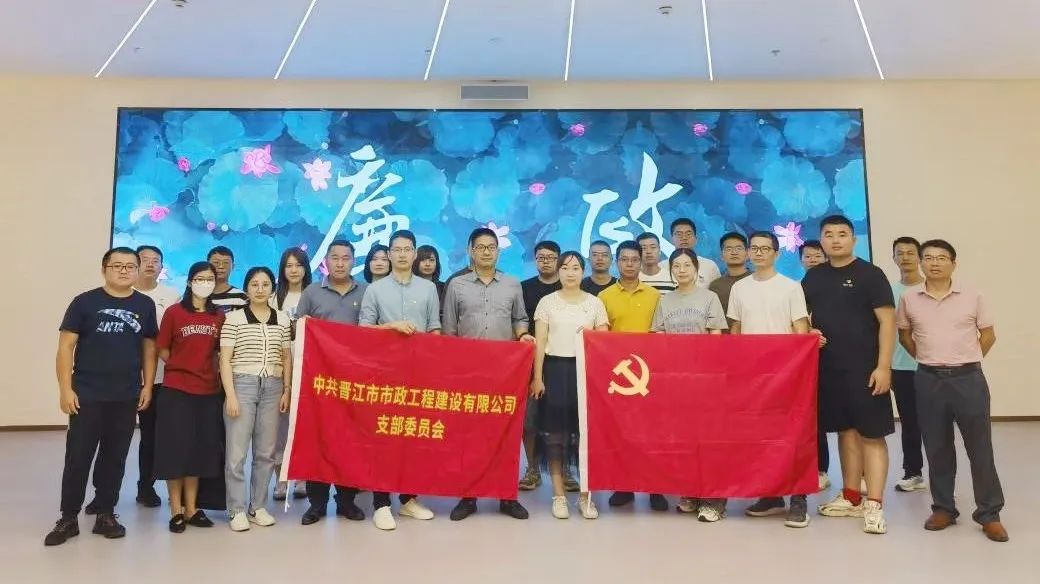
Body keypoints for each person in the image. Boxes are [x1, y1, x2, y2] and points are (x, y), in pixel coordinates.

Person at [45, 247, 158, 546]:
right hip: (87, 394)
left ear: (137, 271)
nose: (123, 270)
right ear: (104, 269)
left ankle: (105, 513)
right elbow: (65, 347)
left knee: (115, 456)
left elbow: (149, 348)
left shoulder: (145, 305)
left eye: (130, 266)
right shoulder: (84, 302)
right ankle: (68, 517)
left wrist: (147, 386)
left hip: (126, 395)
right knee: (78, 456)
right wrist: (65, 389)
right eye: (116, 265)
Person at [897, 239, 1007, 542]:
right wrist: (929, 359)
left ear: (953, 264)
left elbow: (988, 335)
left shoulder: (973, 296)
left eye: (941, 258)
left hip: (968, 378)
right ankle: (944, 508)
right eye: (928, 257)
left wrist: (965, 359)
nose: (934, 263)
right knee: (937, 446)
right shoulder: (909, 298)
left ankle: (989, 514)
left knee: (980, 448)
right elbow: (904, 335)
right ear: (921, 263)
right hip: (928, 379)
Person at [802, 215, 895, 535]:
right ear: (821, 240)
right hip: (830, 368)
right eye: (829, 234)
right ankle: (852, 496)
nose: (835, 239)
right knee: (845, 432)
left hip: (867, 369)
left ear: (853, 240)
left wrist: (884, 367)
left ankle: (875, 503)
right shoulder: (814, 277)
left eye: (842, 234)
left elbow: (887, 322)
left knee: (871, 434)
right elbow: (803, 317)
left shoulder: (871, 275)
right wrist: (810, 330)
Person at [443, 228, 533, 522]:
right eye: (480, 247)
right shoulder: (456, 285)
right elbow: (449, 330)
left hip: (504, 373)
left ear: (498, 251)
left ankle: (506, 496)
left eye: (491, 247)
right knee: (469, 435)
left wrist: (522, 335)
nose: (485, 252)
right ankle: (468, 496)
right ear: (470, 250)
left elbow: (520, 319)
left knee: (505, 433)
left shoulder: (512, 284)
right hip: (468, 372)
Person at [727, 232, 813, 528]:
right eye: (754, 248)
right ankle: (770, 495)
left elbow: (800, 328)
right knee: (761, 437)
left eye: (766, 249)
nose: (759, 253)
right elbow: (736, 329)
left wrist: (798, 366)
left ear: (777, 254)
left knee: (793, 436)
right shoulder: (739, 288)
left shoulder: (791, 287)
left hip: (786, 373)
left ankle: (798, 498)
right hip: (752, 375)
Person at [359, 229, 439, 531]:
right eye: (397, 249)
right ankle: (381, 503)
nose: (403, 254)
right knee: (383, 435)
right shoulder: (375, 290)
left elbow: (435, 328)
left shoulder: (428, 288)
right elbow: (363, 329)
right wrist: (391, 326)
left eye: (408, 249)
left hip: (418, 372)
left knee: (413, 436)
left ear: (415, 253)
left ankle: (408, 499)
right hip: (384, 372)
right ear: (389, 254)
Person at [650, 249, 727, 521]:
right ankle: (692, 491)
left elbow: (716, 338)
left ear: (696, 269)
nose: (681, 270)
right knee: (684, 438)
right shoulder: (665, 300)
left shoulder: (709, 298)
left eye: (687, 265)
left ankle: (714, 499)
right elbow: (658, 337)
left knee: (709, 439)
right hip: (676, 381)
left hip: (705, 380)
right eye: (676, 266)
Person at [530, 251, 608, 520]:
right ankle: (559, 496)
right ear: (559, 272)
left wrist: (591, 335)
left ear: (583, 271)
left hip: (586, 372)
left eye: (576, 268)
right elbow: (540, 342)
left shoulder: (595, 303)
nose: (570, 272)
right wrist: (537, 377)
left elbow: (604, 342)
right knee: (555, 435)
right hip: (554, 371)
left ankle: (586, 497)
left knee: (585, 435)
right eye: (565, 267)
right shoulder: (547, 302)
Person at [297, 241, 368, 526]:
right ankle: (316, 504)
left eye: (346, 258)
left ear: (354, 261)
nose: (340, 263)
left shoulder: (365, 292)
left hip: (354, 382)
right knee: (318, 441)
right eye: (335, 258)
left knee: (349, 442)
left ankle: (346, 501)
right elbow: (298, 330)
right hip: (320, 382)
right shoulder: (312, 292)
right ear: (325, 261)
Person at [153, 261, 224, 533]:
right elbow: (162, 348)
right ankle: (176, 510)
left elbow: (219, 353)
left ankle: (192, 508)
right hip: (177, 390)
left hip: (208, 391)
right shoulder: (174, 313)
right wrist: (181, 366)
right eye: (200, 278)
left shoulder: (218, 316)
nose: (204, 283)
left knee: (197, 451)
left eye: (209, 279)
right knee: (176, 450)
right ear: (189, 281)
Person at [219, 267, 292, 532]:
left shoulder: (282, 319)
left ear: (272, 288)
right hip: (242, 385)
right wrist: (231, 395)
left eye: (265, 284)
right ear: (247, 288)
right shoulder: (234, 318)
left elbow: (286, 357)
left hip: (273, 386)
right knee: (236, 453)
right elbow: (225, 360)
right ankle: (236, 509)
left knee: (266, 453)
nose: (260, 289)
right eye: (254, 284)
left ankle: (257, 506)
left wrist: (286, 389)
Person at [599, 241, 666, 511]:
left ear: (641, 262)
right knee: (621, 432)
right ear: (617, 262)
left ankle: (656, 488)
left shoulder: (655, 295)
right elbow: (600, 336)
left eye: (634, 259)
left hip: (650, 373)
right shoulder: (604, 296)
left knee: (653, 434)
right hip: (618, 376)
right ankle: (623, 486)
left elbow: (661, 332)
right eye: (624, 259)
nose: (629, 264)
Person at [519, 240, 567, 492]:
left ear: (559, 260)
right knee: (529, 421)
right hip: (529, 363)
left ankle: (566, 471)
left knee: (563, 420)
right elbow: (518, 321)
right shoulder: (524, 287)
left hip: (562, 362)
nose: (546, 261)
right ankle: (532, 469)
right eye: (541, 257)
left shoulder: (568, 286)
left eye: (551, 257)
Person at [271, 247, 312, 502]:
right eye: (289, 265)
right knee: (279, 427)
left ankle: (303, 478)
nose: (294, 270)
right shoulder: (274, 297)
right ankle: (281, 480)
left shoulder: (315, 294)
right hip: (279, 370)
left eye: (298, 265)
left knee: (305, 425)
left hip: (308, 369)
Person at [890, 237, 926, 493]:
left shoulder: (929, 288)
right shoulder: (888, 291)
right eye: (900, 253)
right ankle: (913, 473)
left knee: (937, 424)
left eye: (910, 253)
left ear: (919, 257)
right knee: (910, 423)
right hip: (900, 368)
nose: (905, 257)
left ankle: (943, 476)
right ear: (894, 258)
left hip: (931, 366)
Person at [797, 239, 832, 490]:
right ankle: (819, 469)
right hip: (807, 361)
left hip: (837, 358)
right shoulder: (797, 288)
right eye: (807, 256)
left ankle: (859, 474)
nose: (812, 260)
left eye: (817, 255)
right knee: (813, 417)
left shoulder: (834, 283)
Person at [709, 232, 752, 325]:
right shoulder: (715, 286)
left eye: (739, 248)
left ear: (747, 254)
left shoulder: (758, 280)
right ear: (722, 256)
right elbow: (713, 320)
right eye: (729, 249)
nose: (734, 252)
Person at [669, 218, 722, 286]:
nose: (684, 238)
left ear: (696, 239)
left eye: (688, 234)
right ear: (671, 239)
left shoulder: (710, 266)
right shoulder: (662, 266)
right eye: (679, 234)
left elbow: (718, 291)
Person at [207, 246, 248, 313]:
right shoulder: (199, 295)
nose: (221, 266)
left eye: (226, 263)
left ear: (233, 267)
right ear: (208, 265)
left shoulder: (241, 297)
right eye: (216, 262)